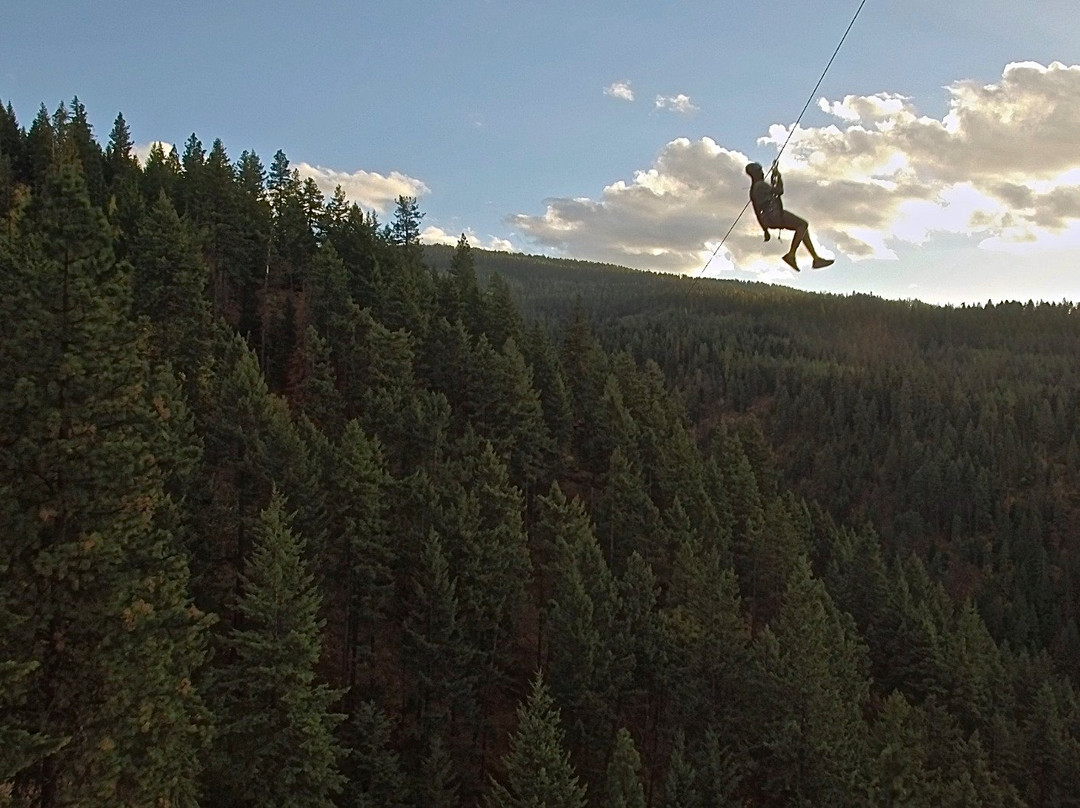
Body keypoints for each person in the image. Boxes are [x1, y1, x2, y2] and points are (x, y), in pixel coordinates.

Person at [746, 161, 833, 271]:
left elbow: (757, 212)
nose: (763, 173)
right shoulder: (761, 185)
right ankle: (791, 255)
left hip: (768, 219)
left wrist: (765, 230)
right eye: (760, 171)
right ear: (755, 174)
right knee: (803, 224)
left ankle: (816, 258)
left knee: (802, 230)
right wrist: (779, 176)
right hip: (775, 215)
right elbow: (779, 191)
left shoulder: (753, 189)